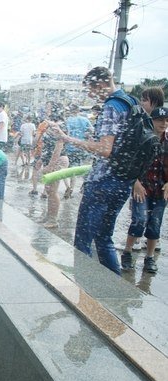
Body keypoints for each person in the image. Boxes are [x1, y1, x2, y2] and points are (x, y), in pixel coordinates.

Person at [51, 66, 149, 275]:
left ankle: (83, 299)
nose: (90, 94)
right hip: (124, 181)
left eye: (91, 89)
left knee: (82, 242)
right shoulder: (131, 103)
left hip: (103, 182)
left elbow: (104, 149)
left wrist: (68, 139)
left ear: (102, 84)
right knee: (104, 238)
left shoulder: (111, 106)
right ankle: (113, 295)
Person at [120, 106, 168, 273]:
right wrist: (135, 182)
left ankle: (149, 258)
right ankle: (127, 252)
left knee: (155, 224)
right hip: (142, 187)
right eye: (160, 120)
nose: (163, 123)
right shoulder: (143, 139)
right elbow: (130, 163)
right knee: (139, 219)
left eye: (166, 120)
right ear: (152, 121)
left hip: (161, 190)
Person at [63, 104, 93, 198]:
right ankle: (81, 186)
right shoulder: (85, 120)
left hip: (70, 147)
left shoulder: (68, 120)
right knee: (79, 167)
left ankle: (70, 187)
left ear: (71, 111)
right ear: (78, 110)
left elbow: (65, 133)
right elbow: (91, 131)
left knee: (70, 168)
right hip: (82, 148)